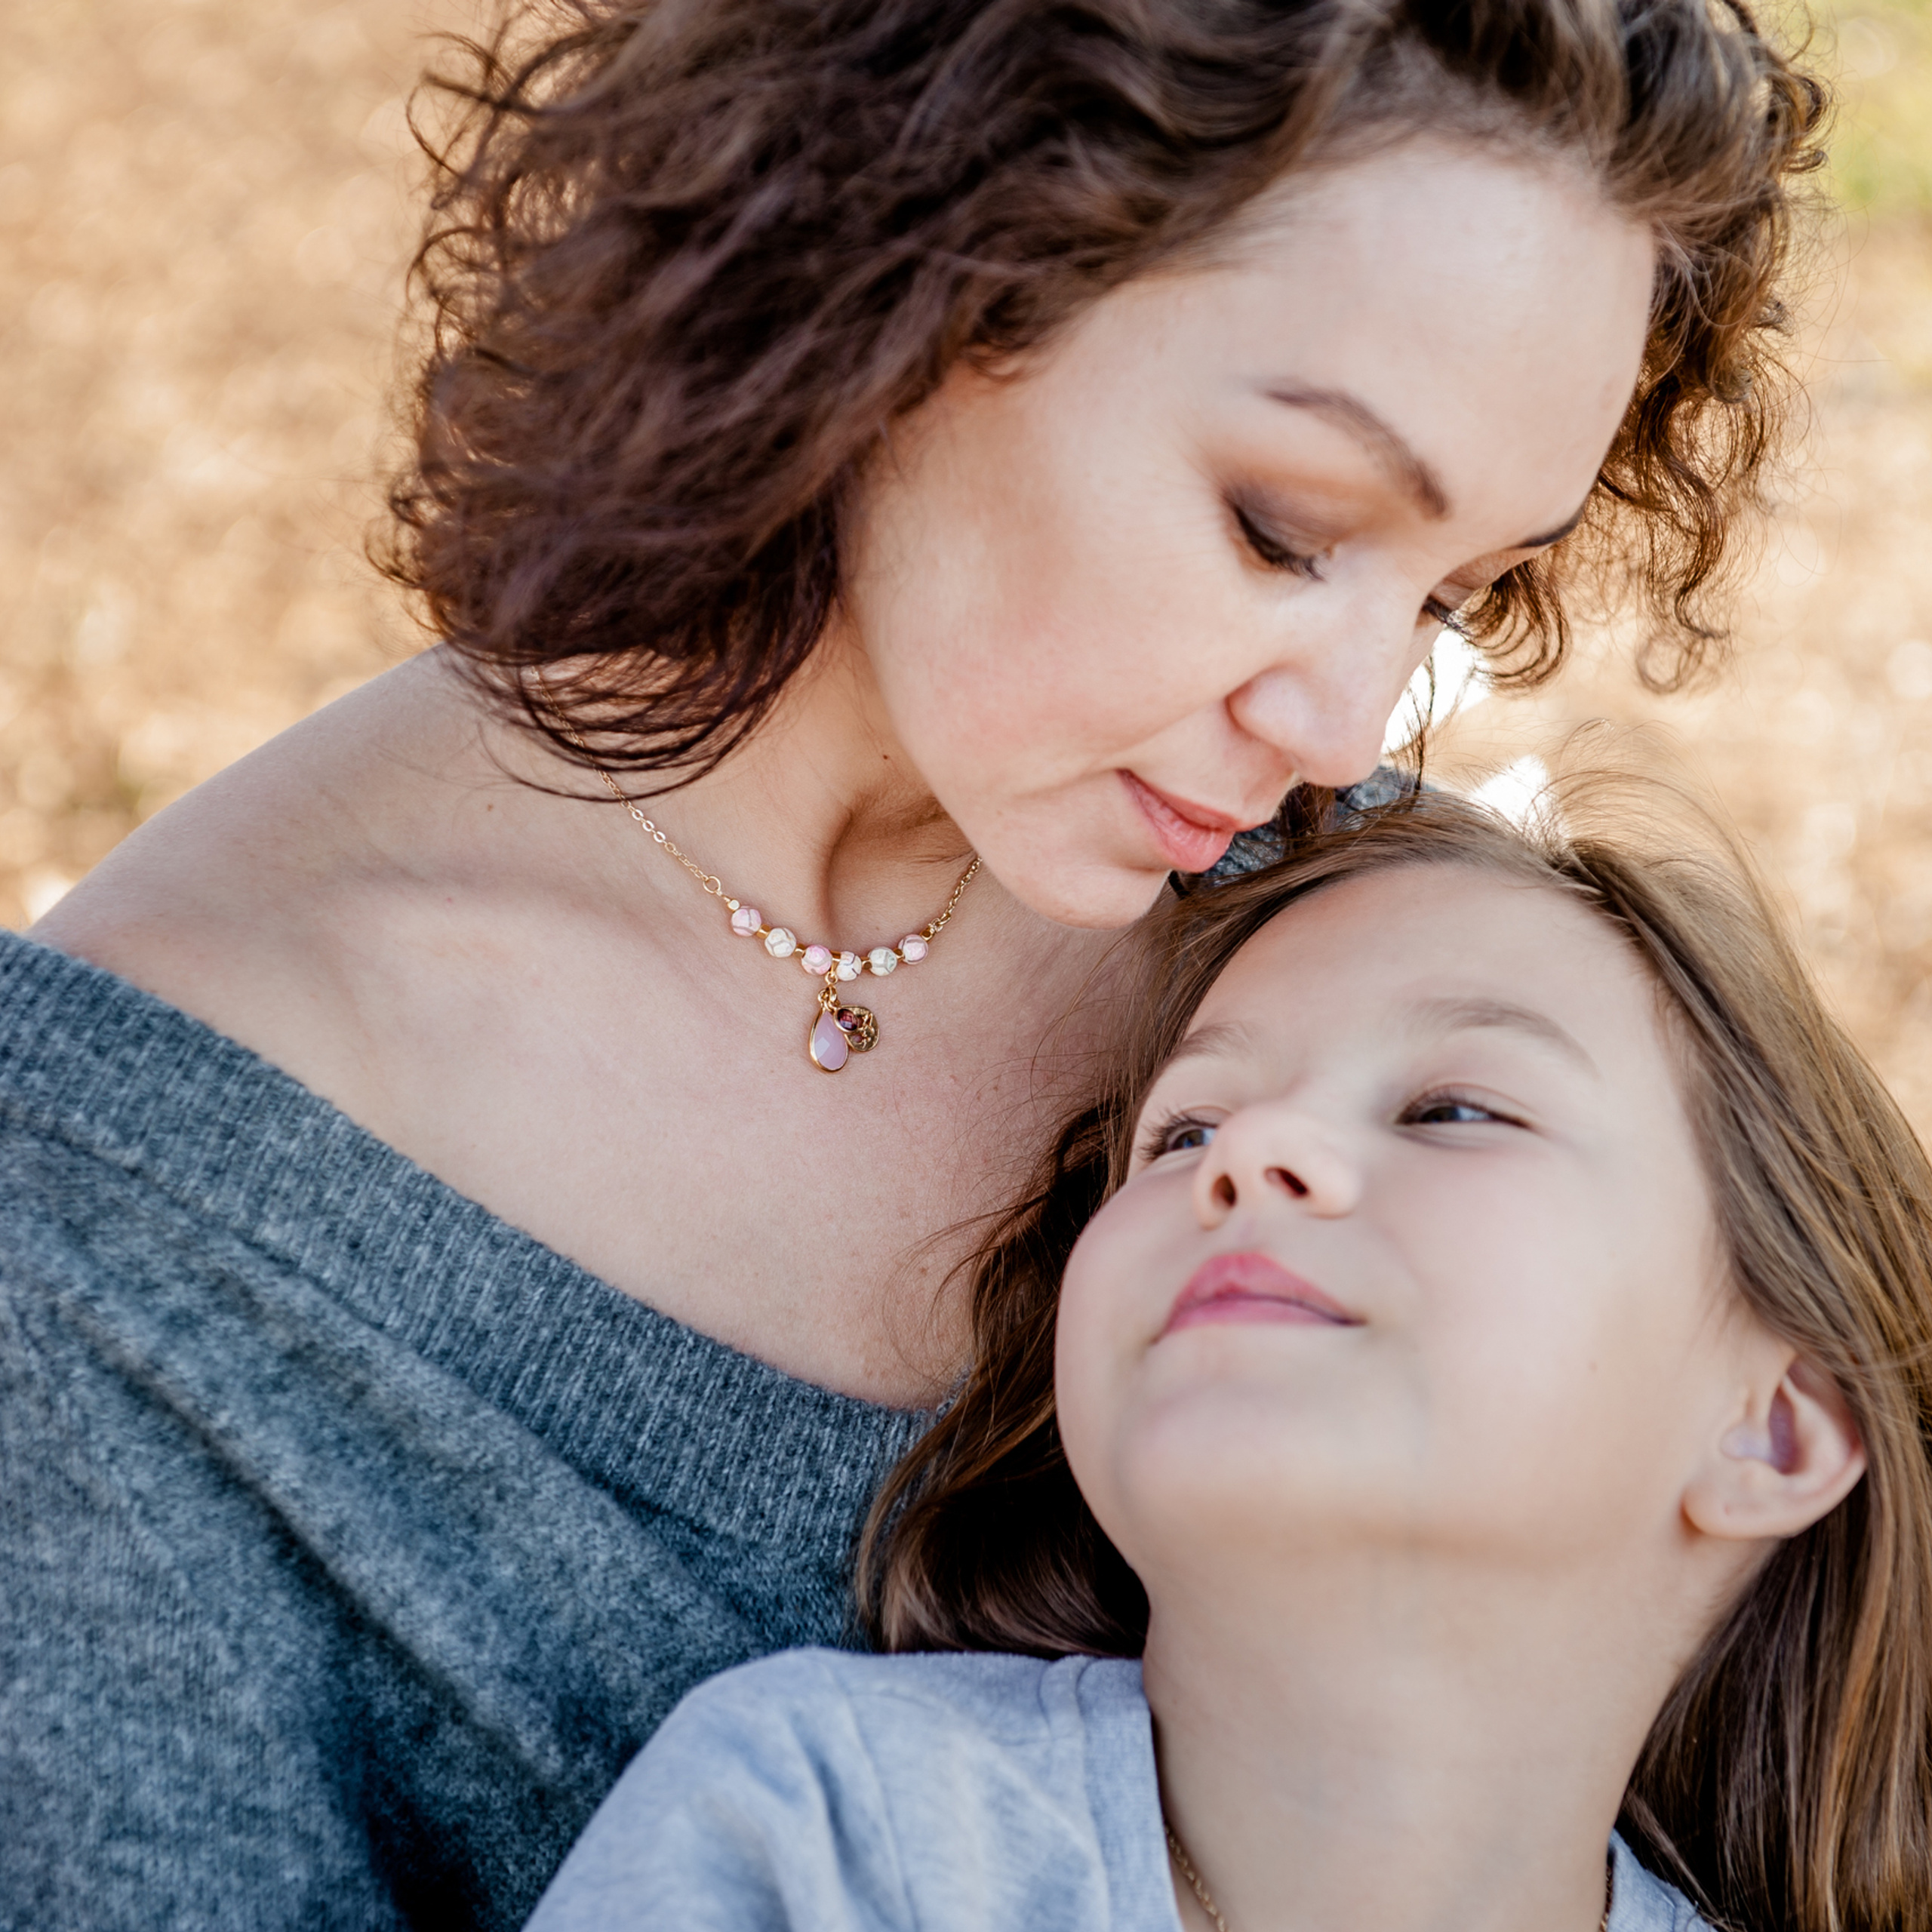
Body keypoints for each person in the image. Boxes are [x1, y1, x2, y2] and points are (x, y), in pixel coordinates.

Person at [2, 0, 1823, 1924]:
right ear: (894, 286)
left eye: (1456, 589)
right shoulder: (102, 1230)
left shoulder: (1358, 949)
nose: (1350, 717)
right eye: (1280, 530)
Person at [524, 783, 1930, 1932]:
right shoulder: (832, 1828)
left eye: (1451, 1108)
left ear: (1774, 1430)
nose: (1254, 1153)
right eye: (1184, 1132)